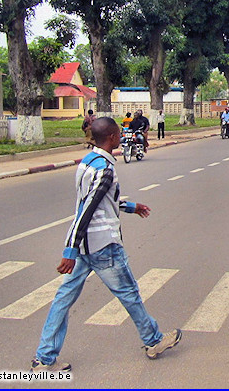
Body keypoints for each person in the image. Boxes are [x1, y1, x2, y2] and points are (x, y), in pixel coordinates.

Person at [30, 117, 182, 372]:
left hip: (85, 248)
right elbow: (87, 210)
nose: (122, 136)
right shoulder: (105, 169)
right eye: (118, 134)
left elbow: (100, 200)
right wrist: (69, 250)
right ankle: (153, 341)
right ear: (111, 137)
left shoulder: (88, 162)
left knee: (63, 299)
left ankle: (44, 358)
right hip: (103, 245)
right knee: (129, 294)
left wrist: (131, 207)